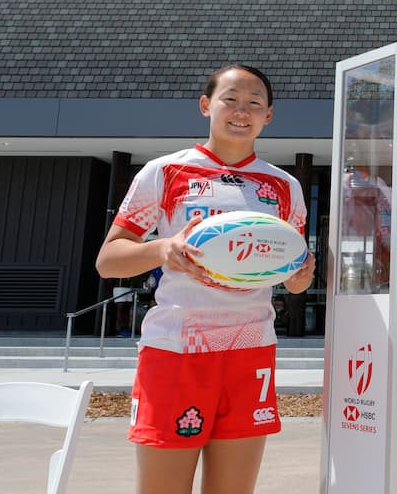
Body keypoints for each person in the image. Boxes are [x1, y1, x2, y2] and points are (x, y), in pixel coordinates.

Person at [95, 64, 315, 494]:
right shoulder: (165, 172)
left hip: (251, 349)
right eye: (230, 99)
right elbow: (108, 261)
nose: (241, 111)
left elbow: (293, 281)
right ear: (205, 105)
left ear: (268, 115)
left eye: (254, 103)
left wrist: (300, 276)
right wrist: (162, 250)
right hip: (177, 349)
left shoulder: (285, 186)